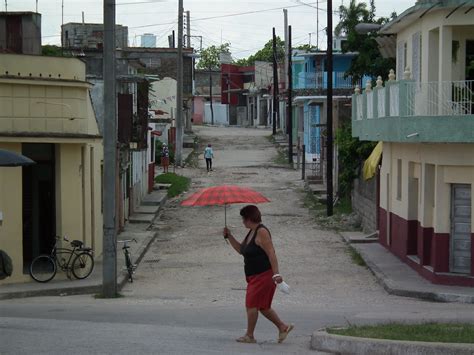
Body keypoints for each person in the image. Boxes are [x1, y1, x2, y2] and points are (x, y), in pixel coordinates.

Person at [223, 205, 294, 344]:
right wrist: (229, 236)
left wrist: (276, 274)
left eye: (244, 219)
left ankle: (249, 336)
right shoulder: (251, 232)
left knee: (251, 304)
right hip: (254, 276)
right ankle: (282, 327)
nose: (242, 222)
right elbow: (241, 250)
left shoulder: (261, 232)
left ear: (250, 218)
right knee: (263, 307)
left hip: (263, 275)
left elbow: (271, 253)